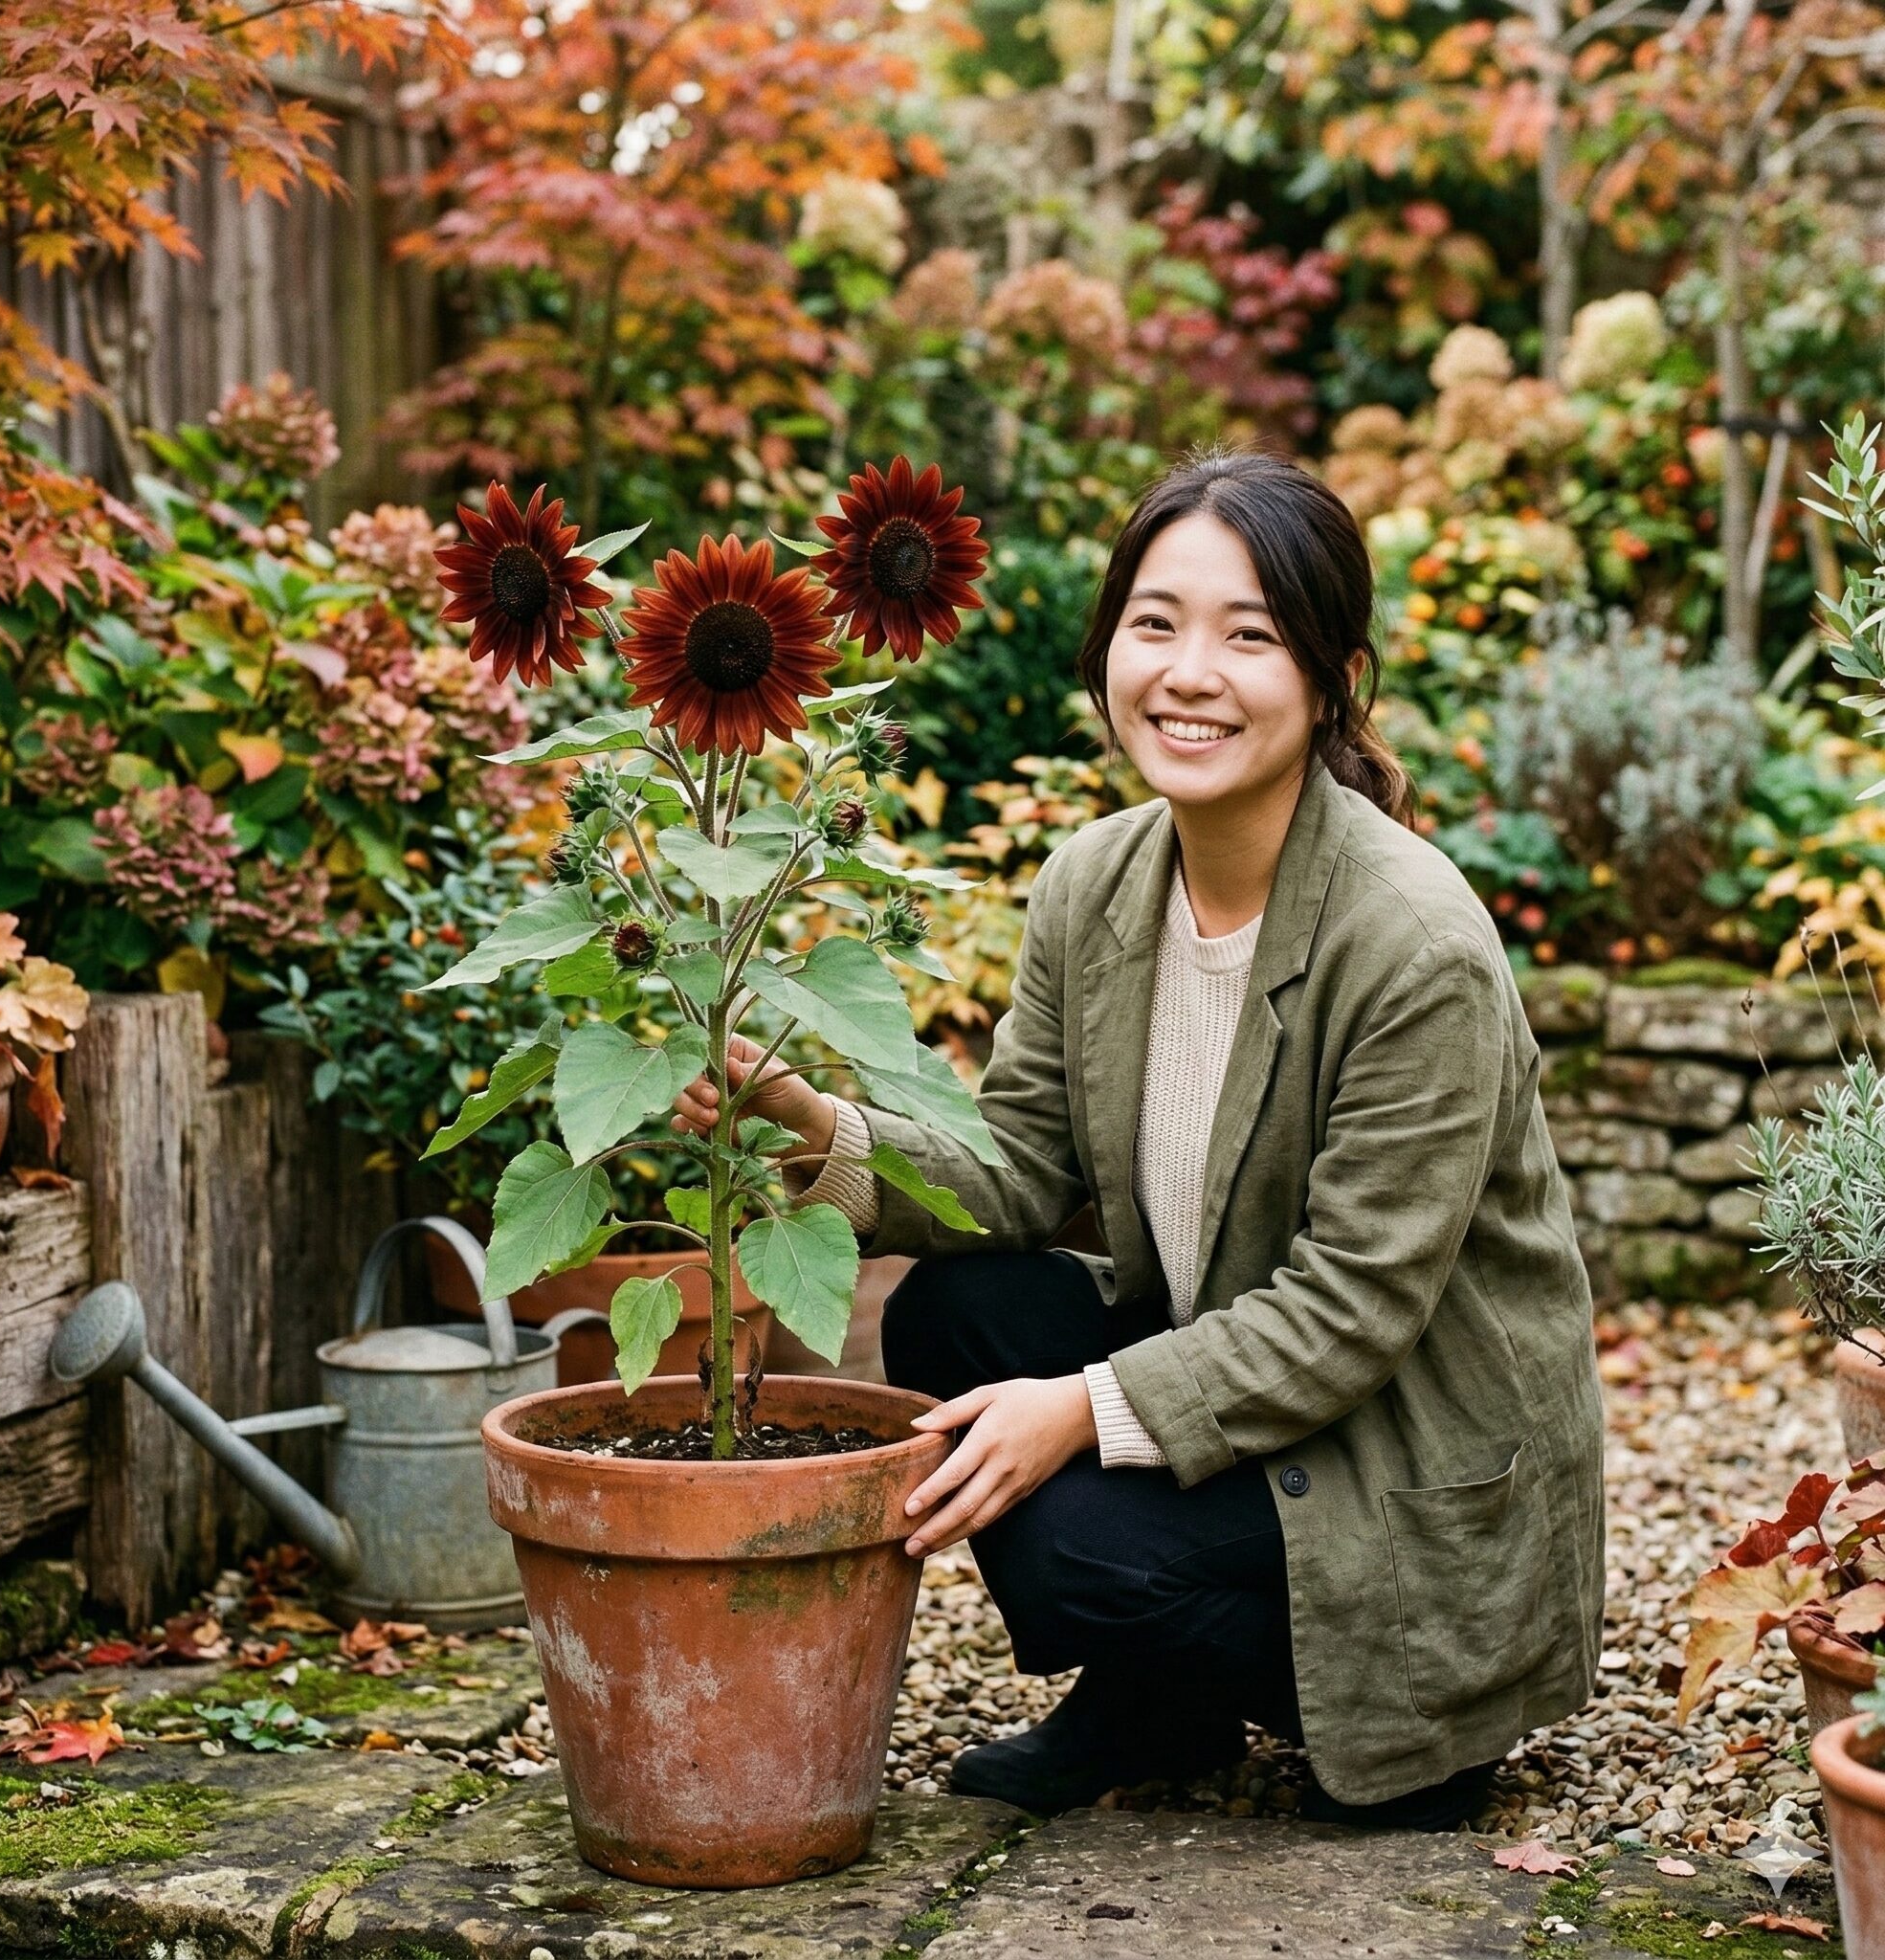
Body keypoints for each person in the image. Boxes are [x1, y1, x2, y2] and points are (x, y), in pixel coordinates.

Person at [673, 448, 1605, 1827]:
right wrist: (818, 1129)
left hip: (1400, 1445)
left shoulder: (1411, 944)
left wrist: (1084, 1413)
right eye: (1156, 623)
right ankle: (1160, 1703)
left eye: (1250, 636)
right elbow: (1025, 1168)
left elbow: (1351, 1310)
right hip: (1252, 1387)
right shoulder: (1095, 886)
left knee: (1069, 1541)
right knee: (957, 1318)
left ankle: (1416, 1713)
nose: (1188, 672)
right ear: (1109, 644)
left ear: (1332, 676)